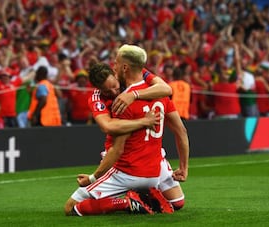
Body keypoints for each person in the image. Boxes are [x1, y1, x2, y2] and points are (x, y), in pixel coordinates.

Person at [64, 45, 189, 216]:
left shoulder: (127, 99)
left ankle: (128, 201)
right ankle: (143, 194)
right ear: (99, 89)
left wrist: (93, 177)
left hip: (127, 164)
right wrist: (144, 121)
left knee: (71, 208)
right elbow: (107, 126)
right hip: (152, 164)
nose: (115, 92)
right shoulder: (149, 90)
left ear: (121, 70)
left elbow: (117, 149)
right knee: (176, 202)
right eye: (108, 91)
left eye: (115, 86)